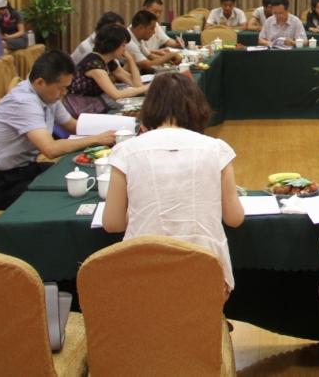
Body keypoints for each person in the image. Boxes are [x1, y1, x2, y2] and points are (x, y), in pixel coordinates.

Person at [103, 73, 244, 294]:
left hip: (142, 273)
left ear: (149, 107)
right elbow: (234, 219)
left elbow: (113, 224)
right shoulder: (216, 149)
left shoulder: (125, 151)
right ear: (197, 107)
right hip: (206, 274)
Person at [0, 51, 116, 209]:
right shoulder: (24, 102)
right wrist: (96, 139)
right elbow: (50, 149)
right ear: (40, 82)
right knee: (70, 194)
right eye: (61, 88)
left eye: (66, 88)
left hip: (24, 169)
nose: (64, 94)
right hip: (0, 183)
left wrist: (113, 129)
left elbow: (71, 125)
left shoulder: (47, 95)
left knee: (78, 177)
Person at [63, 24, 149, 117]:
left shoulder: (108, 61)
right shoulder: (94, 64)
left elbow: (136, 84)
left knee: (138, 104)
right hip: (80, 107)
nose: (125, 50)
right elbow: (116, 95)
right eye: (123, 45)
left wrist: (131, 60)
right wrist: (146, 87)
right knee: (136, 108)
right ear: (113, 45)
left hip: (95, 103)